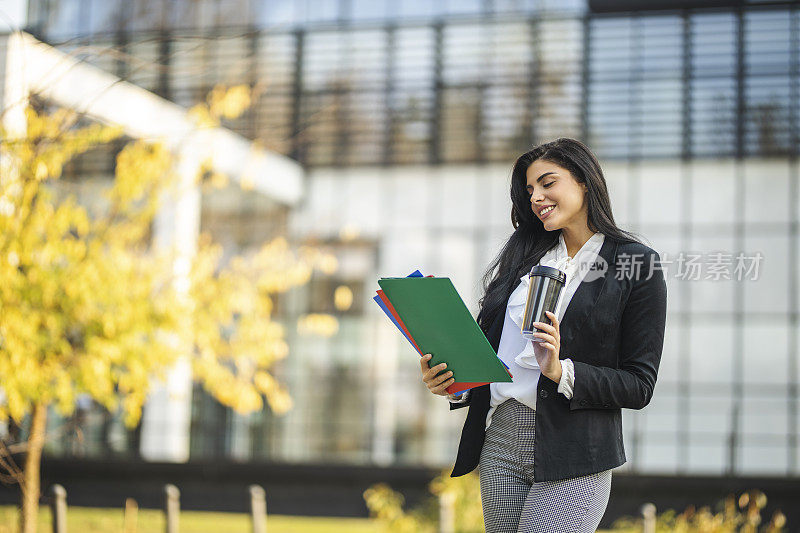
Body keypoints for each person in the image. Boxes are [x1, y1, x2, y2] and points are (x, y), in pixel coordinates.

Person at [419, 138, 667, 533]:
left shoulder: (634, 263)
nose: (536, 197)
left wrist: (559, 370)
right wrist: (455, 382)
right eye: (530, 189)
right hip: (500, 439)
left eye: (548, 183)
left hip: (575, 447)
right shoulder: (523, 257)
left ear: (585, 181)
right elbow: (494, 352)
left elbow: (639, 385)